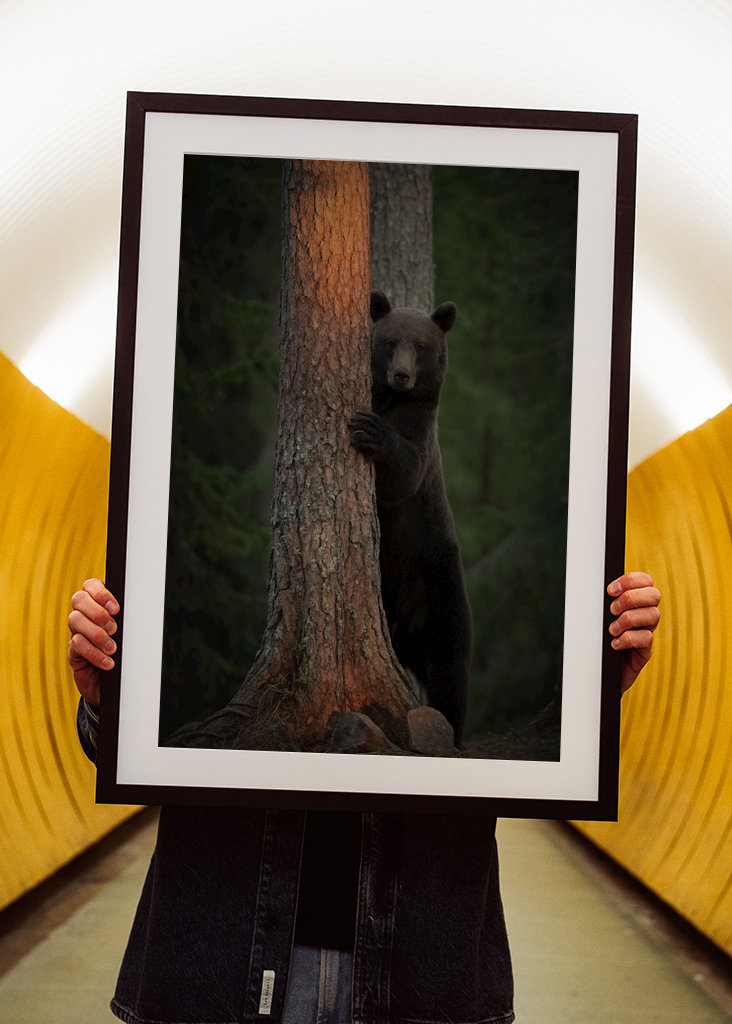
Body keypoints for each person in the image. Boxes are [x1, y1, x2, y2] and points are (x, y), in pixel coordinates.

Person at [68, 572, 661, 1024]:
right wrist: (110, 703)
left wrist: (588, 696)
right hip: (221, 955)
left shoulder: (444, 602)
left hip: (423, 963)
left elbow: (501, 736)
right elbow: (147, 747)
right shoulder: (224, 597)